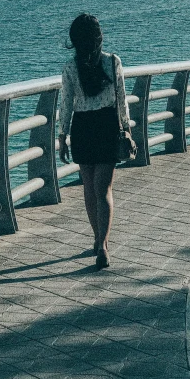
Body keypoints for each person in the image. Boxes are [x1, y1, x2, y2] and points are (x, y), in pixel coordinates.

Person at [58, 13, 131, 269]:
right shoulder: (112, 62)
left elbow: (66, 104)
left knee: (89, 188)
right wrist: (126, 129)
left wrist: (62, 136)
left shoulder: (70, 67)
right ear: (99, 37)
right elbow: (121, 98)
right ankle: (103, 244)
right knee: (105, 190)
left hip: (82, 128)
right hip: (107, 126)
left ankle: (97, 238)